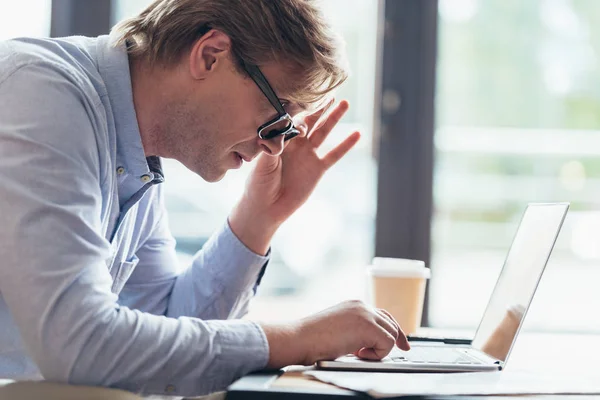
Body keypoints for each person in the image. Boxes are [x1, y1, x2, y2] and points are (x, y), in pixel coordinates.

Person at [0, 0, 410, 396]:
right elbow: (80, 345)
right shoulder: (41, 93)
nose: (275, 148)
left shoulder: (136, 158)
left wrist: (258, 219)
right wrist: (300, 338)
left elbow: (165, 334)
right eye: (279, 117)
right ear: (210, 55)